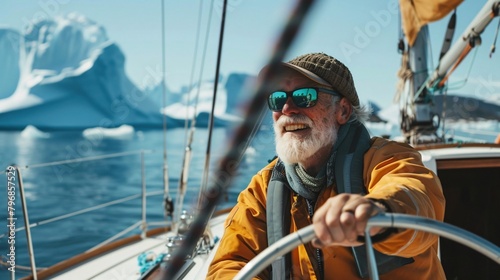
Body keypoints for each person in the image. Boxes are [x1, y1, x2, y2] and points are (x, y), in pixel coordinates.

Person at [206, 53, 445, 279]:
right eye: (277, 99)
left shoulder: (386, 158)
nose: (287, 109)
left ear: (342, 110)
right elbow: (230, 263)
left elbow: (416, 201)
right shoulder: (263, 188)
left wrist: (376, 211)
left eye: (304, 96)